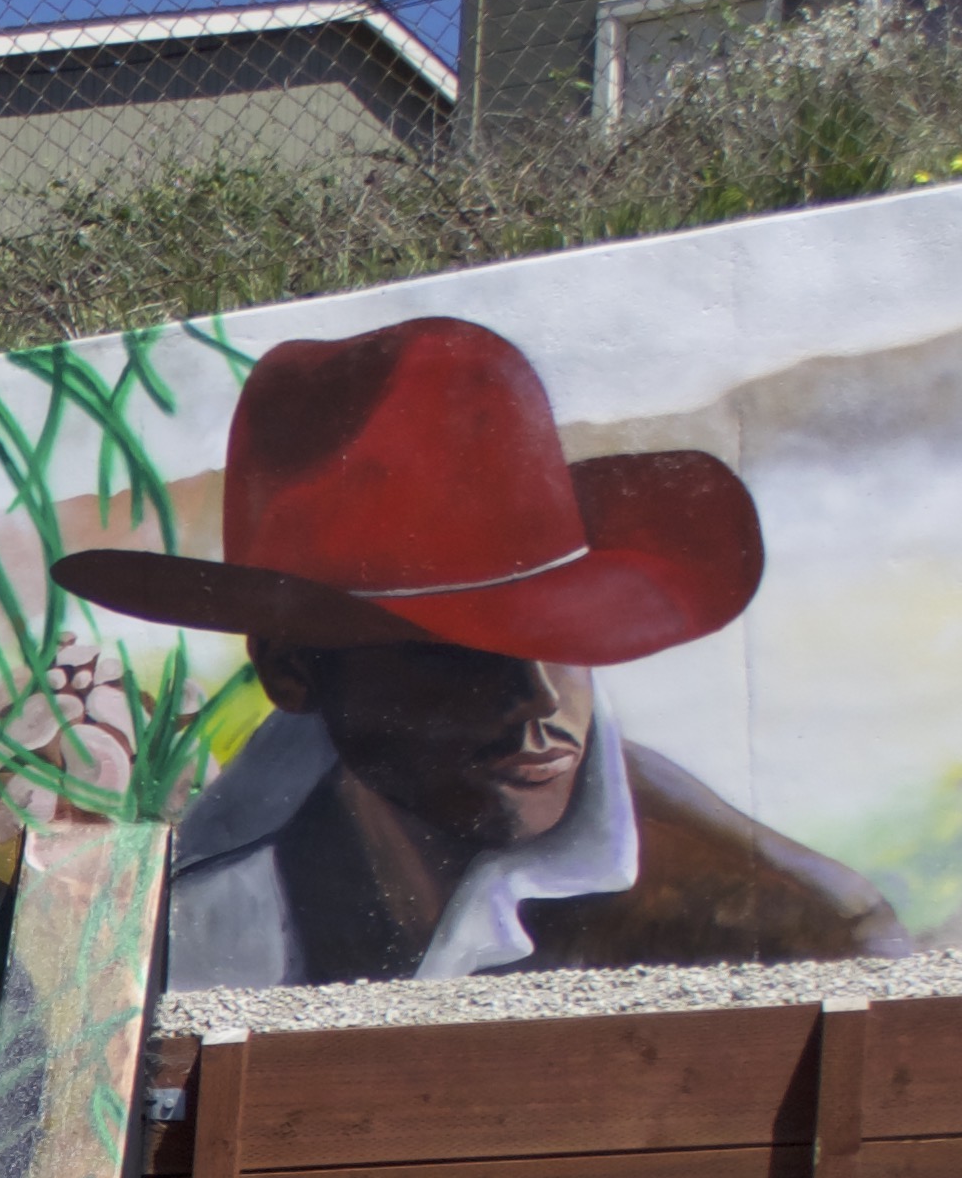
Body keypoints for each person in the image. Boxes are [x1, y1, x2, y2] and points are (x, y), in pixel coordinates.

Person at [56, 317, 898, 988]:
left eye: (560, 637)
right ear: (293, 668)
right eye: (459, 651)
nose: (537, 696)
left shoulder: (790, 931)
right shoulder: (197, 904)